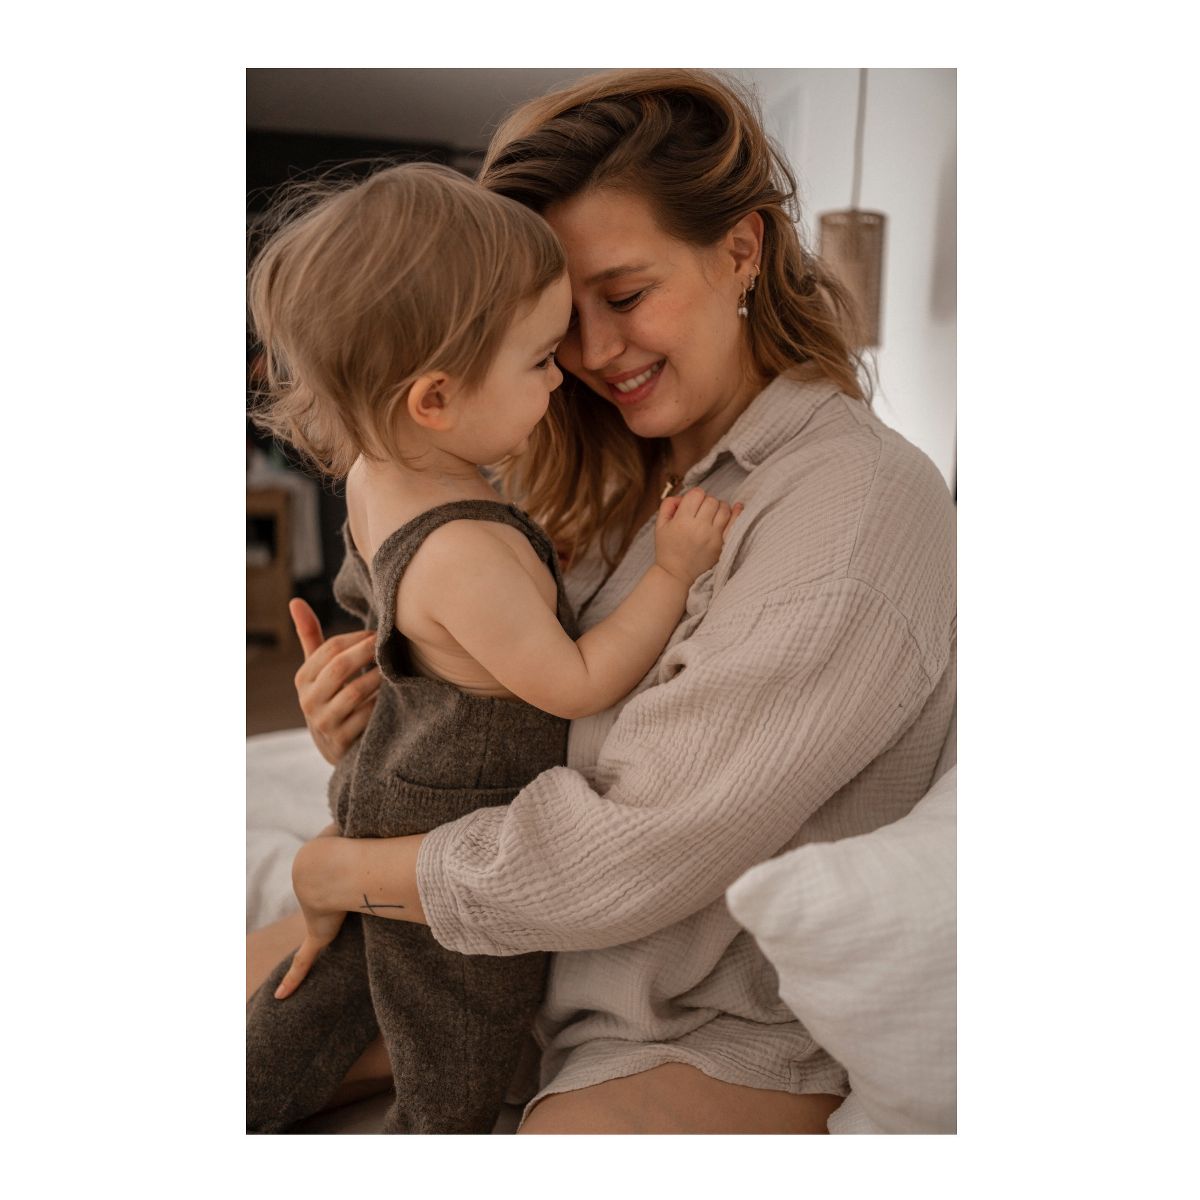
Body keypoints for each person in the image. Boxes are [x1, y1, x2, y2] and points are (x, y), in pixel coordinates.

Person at [246, 68, 956, 1135]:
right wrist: (374, 720)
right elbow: (499, 725)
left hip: (686, 1021)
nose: (589, 356)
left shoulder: (855, 507)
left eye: (624, 297)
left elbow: (637, 846)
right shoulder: (593, 466)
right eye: (556, 323)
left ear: (742, 249)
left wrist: (341, 868)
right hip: (508, 968)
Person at [244, 161, 741, 1134]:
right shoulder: (468, 550)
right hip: (449, 844)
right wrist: (673, 573)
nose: (565, 375)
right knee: (456, 1052)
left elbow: (381, 617)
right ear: (435, 398)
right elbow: (577, 681)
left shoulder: (376, 478)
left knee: (310, 1005)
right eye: (540, 360)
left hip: (380, 792)